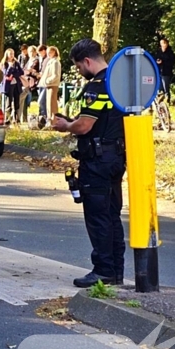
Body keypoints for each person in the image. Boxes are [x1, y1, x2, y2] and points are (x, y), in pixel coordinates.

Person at [52, 39, 126, 288]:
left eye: (77, 66)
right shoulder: (118, 82)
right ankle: (116, 270)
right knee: (112, 214)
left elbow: (85, 125)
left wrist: (66, 125)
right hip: (116, 157)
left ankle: (103, 270)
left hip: (97, 161)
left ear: (86, 61)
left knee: (98, 216)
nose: (78, 72)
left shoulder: (96, 86)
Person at [0, 48, 23, 124]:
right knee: (9, 102)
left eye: (13, 53)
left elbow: (21, 72)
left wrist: (13, 75)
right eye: (10, 54)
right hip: (8, 85)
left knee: (17, 102)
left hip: (16, 84)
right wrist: (11, 67)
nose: (12, 55)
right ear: (7, 55)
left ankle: (16, 118)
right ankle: (7, 118)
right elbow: (6, 73)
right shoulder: (4, 63)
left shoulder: (16, 63)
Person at [40, 46, 62, 121]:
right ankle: (50, 120)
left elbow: (56, 75)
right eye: (47, 52)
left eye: (50, 52)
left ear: (54, 52)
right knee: (49, 104)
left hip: (53, 85)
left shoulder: (55, 62)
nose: (48, 54)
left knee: (52, 104)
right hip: (49, 85)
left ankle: (54, 121)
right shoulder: (50, 61)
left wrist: (47, 81)